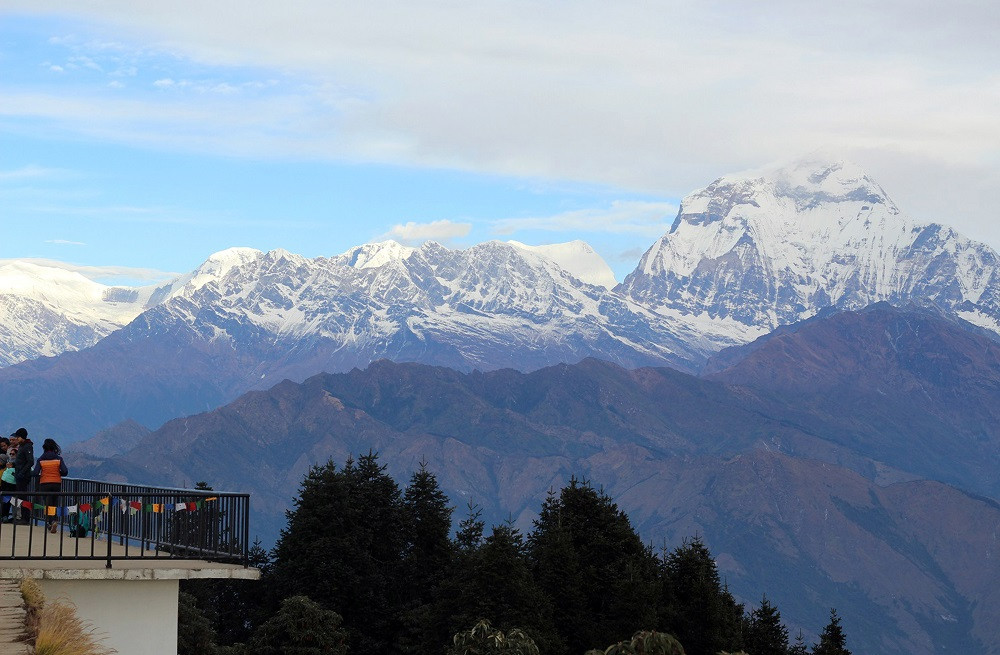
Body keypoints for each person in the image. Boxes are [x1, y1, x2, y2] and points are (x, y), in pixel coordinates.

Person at [33, 439, 67, 533]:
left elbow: (36, 472)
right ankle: (55, 520)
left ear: (44, 447)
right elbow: (65, 471)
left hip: (45, 483)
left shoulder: (41, 459)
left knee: (47, 504)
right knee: (55, 503)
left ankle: (50, 522)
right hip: (56, 483)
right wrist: (57, 473)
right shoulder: (58, 459)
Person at [11, 428, 33, 524]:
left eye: (18, 437)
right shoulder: (21, 446)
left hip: (23, 476)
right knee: (20, 496)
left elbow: (30, 461)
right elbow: (20, 460)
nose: (17, 438)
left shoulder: (27, 447)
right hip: (19, 474)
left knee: (23, 497)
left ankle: (25, 518)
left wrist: (22, 472)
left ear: (22, 437)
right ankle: (22, 517)